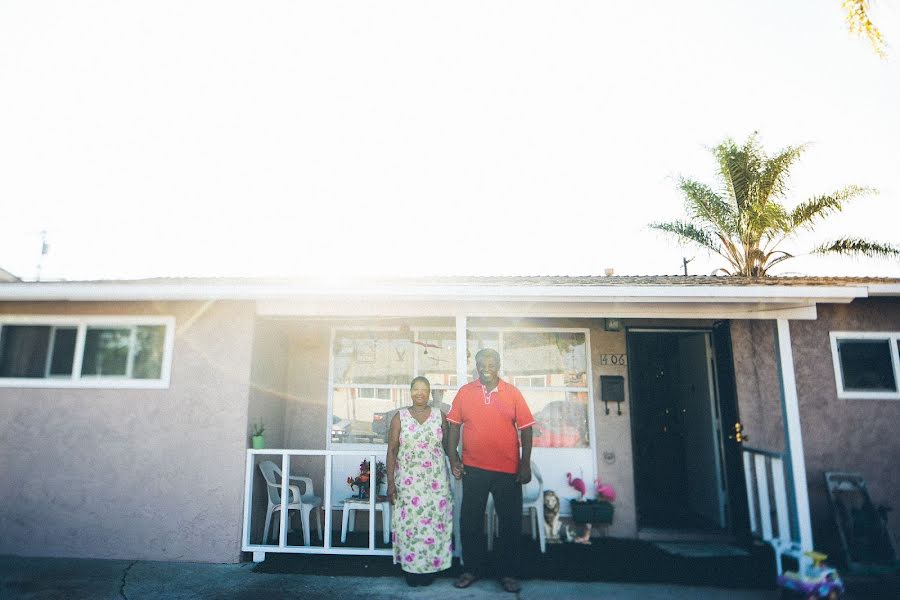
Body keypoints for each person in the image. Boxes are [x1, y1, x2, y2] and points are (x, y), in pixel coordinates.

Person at [447, 348, 535, 593]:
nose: (486, 366)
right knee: (470, 520)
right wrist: (453, 456)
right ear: (475, 365)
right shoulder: (465, 392)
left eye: (491, 362)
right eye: (481, 362)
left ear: (499, 365)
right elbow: (453, 426)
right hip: (473, 468)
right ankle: (472, 569)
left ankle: (508, 573)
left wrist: (525, 463)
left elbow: (526, 429)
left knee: (510, 521)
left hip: (507, 470)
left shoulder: (512, 392)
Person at [386, 376, 454, 587]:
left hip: (436, 481)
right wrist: (390, 482)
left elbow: (448, 447)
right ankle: (411, 570)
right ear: (410, 391)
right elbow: (392, 451)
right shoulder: (400, 417)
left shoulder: (439, 416)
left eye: (424, 390)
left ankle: (431, 568)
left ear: (430, 392)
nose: (420, 393)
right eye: (416, 389)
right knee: (411, 525)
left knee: (433, 524)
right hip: (408, 482)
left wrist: (456, 464)